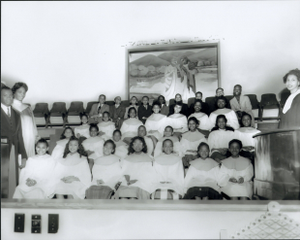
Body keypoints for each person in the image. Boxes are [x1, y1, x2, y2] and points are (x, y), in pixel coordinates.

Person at [1, 86, 27, 198]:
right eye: (5, 95)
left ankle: (9, 202)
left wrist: (24, 155)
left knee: (13, 179)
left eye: (11, 95)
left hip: (14, 151)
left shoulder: (16, 114)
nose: (9, 98)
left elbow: (19, 136)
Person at [11, 82, 39, 158]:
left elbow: (33, 125)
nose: (22, 95)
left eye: (24, 92)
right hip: (16, 138)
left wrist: (35, 136)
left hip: (29, 137)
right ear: (14, 92)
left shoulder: (28, 108)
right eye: (20, 92)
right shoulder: (9, 107)